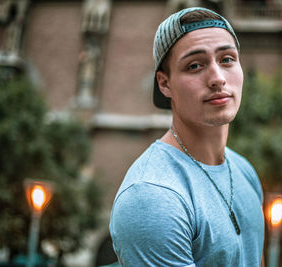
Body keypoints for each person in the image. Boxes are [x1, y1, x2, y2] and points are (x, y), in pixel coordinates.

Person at [110, 7, 264, 267]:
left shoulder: (243, 171)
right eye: (195, 65)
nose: (217, 78)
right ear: (164, 84)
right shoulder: (151, 197)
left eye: (227, 59)